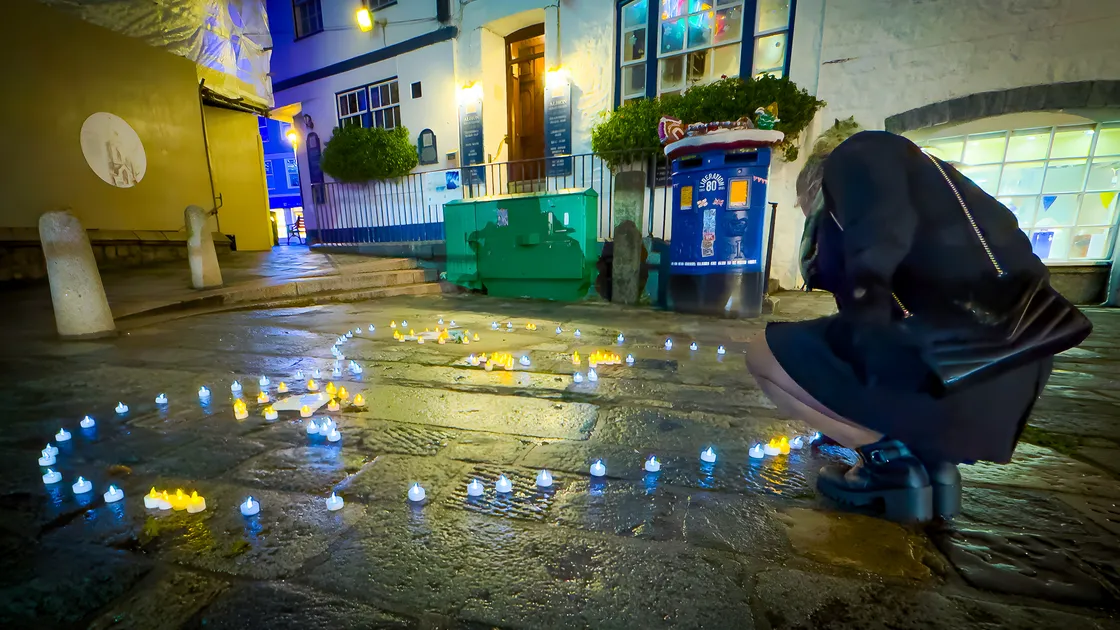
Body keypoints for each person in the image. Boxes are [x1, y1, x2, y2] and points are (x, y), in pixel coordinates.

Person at [745, 121, 1060, 524]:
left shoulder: (855, 168)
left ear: (814, 186)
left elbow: (872, 287)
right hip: (1012, 378)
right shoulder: (938, 183)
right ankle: (931, 465)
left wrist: (848, 404)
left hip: (946, 363)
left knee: (763, 352)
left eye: (806, 209)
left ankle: (887, 461)